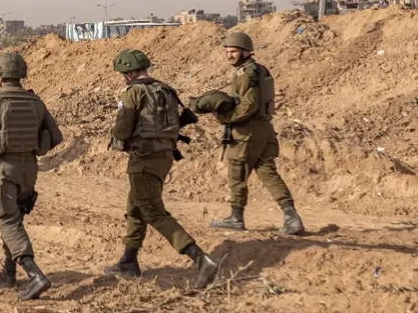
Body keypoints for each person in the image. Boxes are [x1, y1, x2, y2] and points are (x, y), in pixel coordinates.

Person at [103, 48, 219, 290]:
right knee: (135, 206)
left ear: (127, 74)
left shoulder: (132, 92)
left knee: (153, 211)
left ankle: (200, 259)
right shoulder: (165, 89)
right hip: (164, 156)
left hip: (144, 159)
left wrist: (116, 137)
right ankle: (129, 261)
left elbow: (123, 130)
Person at [0, 52, 62, 300]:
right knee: (16, 219)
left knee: (7, 219)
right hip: (30, 168)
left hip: (3, 169)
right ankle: (9, 273)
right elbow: (56, 136)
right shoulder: (36, 102)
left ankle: (34, 274)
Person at [195, 32, 304, 235]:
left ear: (246, 52)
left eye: (234, 51)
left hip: (248, 131)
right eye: (227, 52)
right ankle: (292, 217)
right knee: (268, 172)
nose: (230, 55)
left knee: (237, 173)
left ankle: (236, 218)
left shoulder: (245, 73)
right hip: (264, 129)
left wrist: (226, 118)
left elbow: (248, 105)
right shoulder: (260, 70)